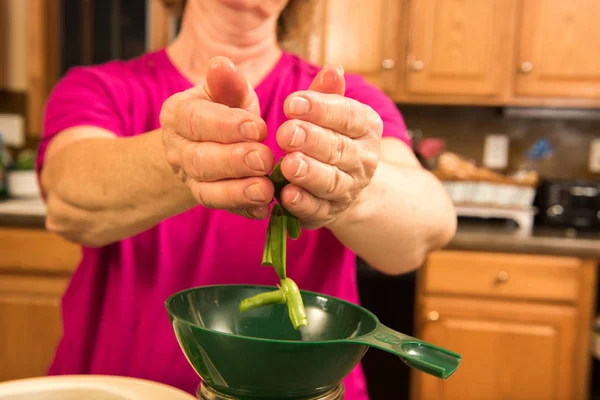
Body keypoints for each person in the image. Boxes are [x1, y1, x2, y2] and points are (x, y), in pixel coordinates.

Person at [36, 0, 457, 398]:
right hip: (116, 388)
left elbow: (426, 228)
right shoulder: (99, 87)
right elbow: (67, 199)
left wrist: (349, 186)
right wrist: (181, 157)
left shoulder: (347, 102)